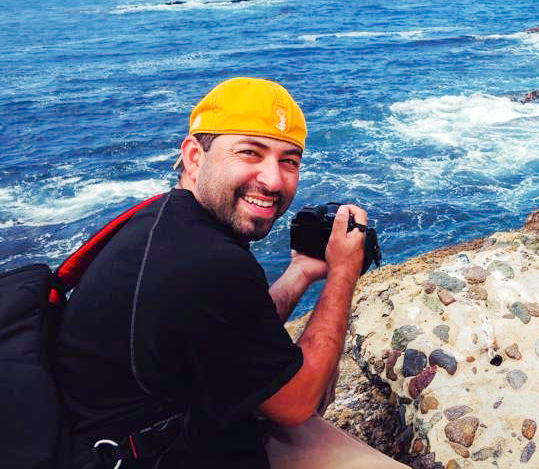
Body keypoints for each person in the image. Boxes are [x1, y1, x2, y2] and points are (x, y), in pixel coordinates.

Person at [55, 77, 406, 468]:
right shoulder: (208, 262)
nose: (273, 180)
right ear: (193, 155)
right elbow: (298, 403)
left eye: (288, 160)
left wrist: (300, 273)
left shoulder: (161, 221)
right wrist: (343, 272)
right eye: (250, 153)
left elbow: (229, 331)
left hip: (136, 431)